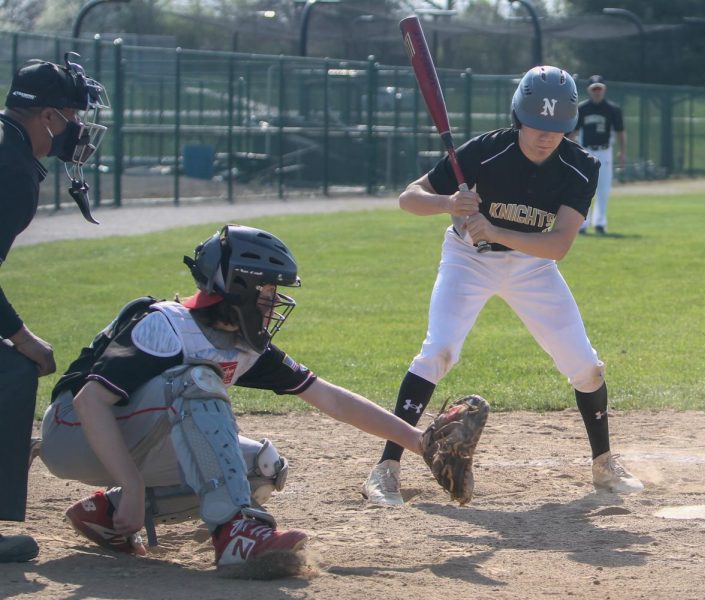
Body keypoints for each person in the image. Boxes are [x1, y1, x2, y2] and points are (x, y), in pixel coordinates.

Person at [40, 224, 437, 579]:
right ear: (238, 287)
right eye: (267, 291)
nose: (273, 301)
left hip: (127, 437)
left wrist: (418, 441)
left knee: (262, 468)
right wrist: (132, 483)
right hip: (71, 433)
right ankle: (235, 533)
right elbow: (91, 401)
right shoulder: (165, 324)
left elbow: (330, 398)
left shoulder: (241, 345)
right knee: (198, 378)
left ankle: (106, 515)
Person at [361, 65, 643, 507]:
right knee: (438, 351)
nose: (545, 135)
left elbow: (558, 245)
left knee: (586, 367)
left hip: (532, 266)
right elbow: (408, 198)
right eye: (536, 125)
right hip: (467, 260)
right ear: (518, 117)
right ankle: (387, 468)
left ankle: (604, 464)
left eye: (556, 127)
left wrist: (495, 230)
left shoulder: (580, 166)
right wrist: (448, 203)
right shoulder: (487, 150)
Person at [0, 53, 108, 563]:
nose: (78, 129)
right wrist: (21, 335)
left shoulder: (8, 146)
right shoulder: (13, 168)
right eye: (72, 115)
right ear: (47, 116)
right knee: (13, 369)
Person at [567, 75, 626, 235]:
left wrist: (622, 151)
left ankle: (600, 223)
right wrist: (569, 151)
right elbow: (573, 132)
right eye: (594, 89)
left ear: (604, 89)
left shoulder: (613, 109)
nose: (597, 92)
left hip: (605, 151)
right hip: (586, 151)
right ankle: (582, 224)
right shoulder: (582, 108)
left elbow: (620, 132)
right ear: (589, 90)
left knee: (603, 188)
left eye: (599, 88)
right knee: (584, 187)